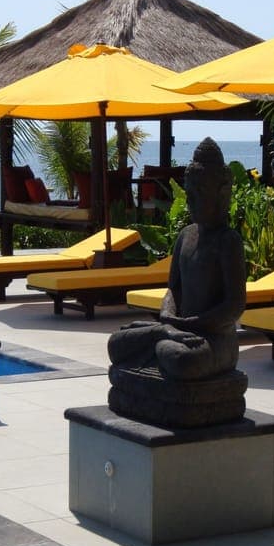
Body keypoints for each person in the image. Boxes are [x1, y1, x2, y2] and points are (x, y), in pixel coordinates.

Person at [108, 138, 246, 380]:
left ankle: (160, 343)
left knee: (181, 359)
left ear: (222, 193)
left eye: (199, 193)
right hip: (178, 328)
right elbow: (173, 288)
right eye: (188, 193)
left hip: (214, 338)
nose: (190, 200)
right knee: (116, 343)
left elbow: (234, 305)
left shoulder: (228, 241)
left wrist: (191, 324)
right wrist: (169, 318)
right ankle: (161, 337)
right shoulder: (186, 235)